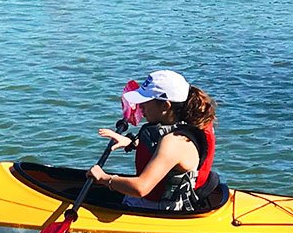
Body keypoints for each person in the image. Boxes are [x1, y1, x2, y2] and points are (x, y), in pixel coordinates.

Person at [85, 70, 222, 213]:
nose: (140, 106)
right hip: (154, 201)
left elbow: (140, 188)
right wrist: (132, 142)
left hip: (160, 209)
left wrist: (104, 178)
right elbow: (167, 157)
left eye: (145, 101)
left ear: (165, 106)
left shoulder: (175, 141)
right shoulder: (183, 123)